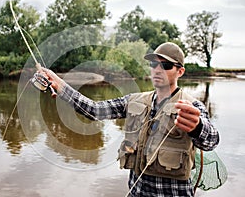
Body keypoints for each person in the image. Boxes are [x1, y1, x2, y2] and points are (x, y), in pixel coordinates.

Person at [37, 42, 219, 197]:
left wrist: (197, 127)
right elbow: (94, 110)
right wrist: (60, 85)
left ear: (180, 71)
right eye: (154, 64)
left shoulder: (192, 106)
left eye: (165, 66)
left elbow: (211, 141)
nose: (157, 69)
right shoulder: (133, 101)